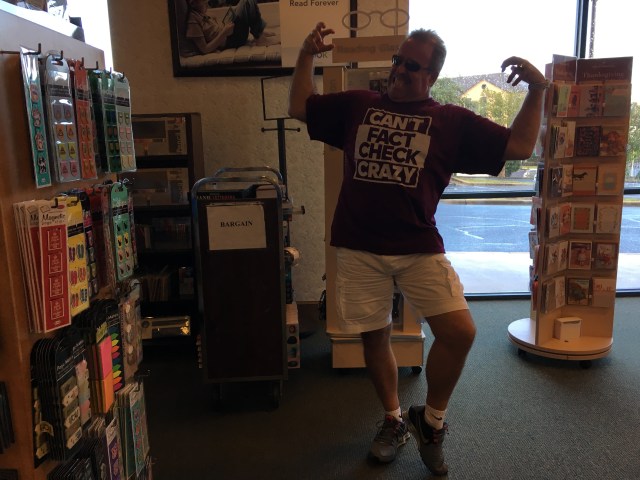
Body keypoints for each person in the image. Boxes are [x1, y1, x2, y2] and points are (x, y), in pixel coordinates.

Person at [288, 22, 547, 476]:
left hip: (417, 245)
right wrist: (307, 55)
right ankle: (393, 420)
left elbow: (520, 145)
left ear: (431, 75)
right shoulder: (359, 105)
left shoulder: (450, 121)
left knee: (460, 332)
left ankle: (431, 421)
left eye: (411, 65)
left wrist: (538, 90)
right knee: (374, 336)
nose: (399, 70)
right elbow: (299, 107)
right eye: (398, 60)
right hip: (358, 244)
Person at [184, 0, 277, 55]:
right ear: (192, 3)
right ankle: (260, 38)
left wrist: (224, 25)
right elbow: (204, 49)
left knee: (242, 6)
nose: (207, 2)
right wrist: (224, 33)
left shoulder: (201, 13)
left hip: (230, 35)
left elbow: (216, 30)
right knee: (246, 2)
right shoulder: (193, 20)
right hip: (230, 41)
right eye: (203, 1)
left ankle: (258, 31)